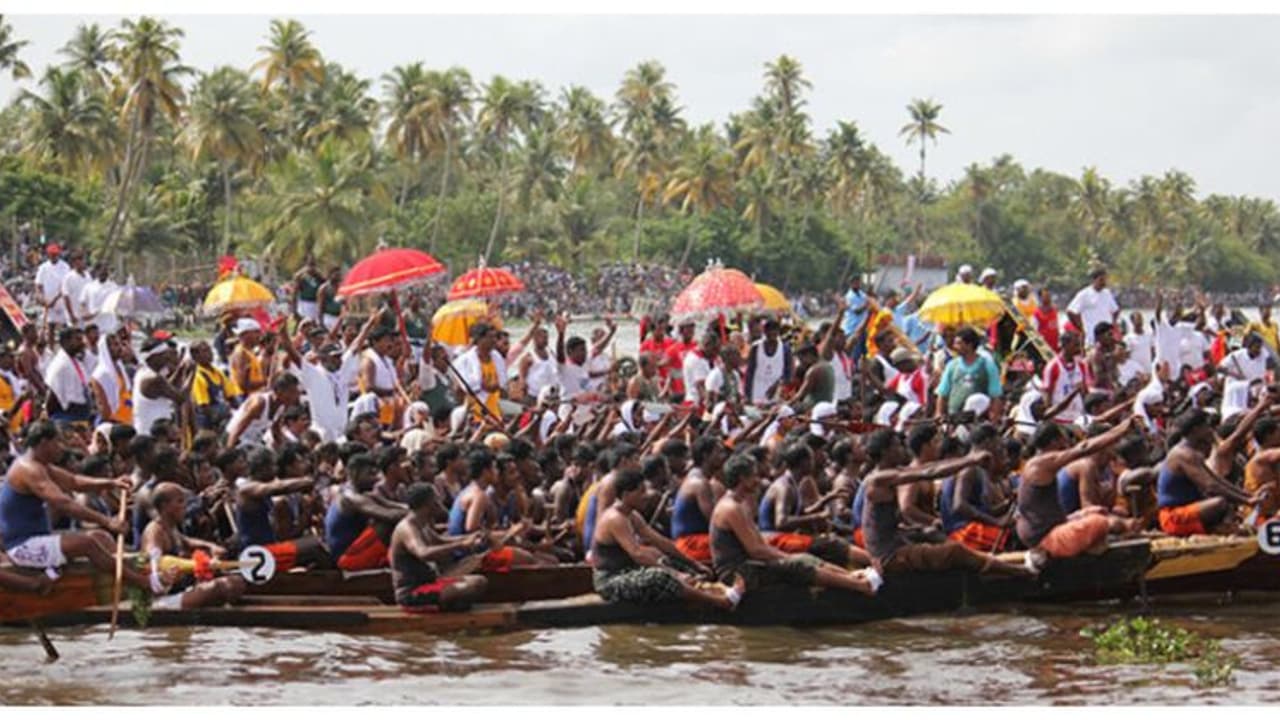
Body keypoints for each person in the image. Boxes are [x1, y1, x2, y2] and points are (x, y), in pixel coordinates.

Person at [0, 421, 156, 590]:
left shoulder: (40, 465)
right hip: (22, 547)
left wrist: (111, 482)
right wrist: (107, 521)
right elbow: (64, 503)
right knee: (87, 543)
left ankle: (127, 577)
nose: (62, 448)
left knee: (99, 536)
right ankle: (141, 583)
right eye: (58, 442)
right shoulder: (28, 469)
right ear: (44, 443)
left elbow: (74, 481)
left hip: (37, 539)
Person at [861, 429, 1030, 578]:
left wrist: (918, 529)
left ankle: (989, 564)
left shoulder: (890, 473)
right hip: (889, 557)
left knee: (933, 536)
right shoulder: (879, 479)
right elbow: (930, 472)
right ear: (885, 452)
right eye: (897, 446)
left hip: (896, 544)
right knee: (955, 551)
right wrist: (970, 461)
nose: (903, 450)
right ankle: (1021, 571)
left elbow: (932, 466)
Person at [710, 454, 877, 597]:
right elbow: (756, 550)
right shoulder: (730, 508)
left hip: (750, 563)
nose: (758, 480)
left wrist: (785, 555)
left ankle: (852, 577)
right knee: (797, 564)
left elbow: (759, 543)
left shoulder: (740, 504)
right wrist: (786, 557)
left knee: (804, 558)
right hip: (737, 572)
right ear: (742, 479)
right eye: (754, 476)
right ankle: (861, 586)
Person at [592, 467, 737, 608]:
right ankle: (718, 602)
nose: (646, 495)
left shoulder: (632, 515)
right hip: (610, 581)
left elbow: (660, 541)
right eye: (641, 491)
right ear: (625, 495)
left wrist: (694, 564)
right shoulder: (615, 518)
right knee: (660, 577)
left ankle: (708, 590)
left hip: (630, 571)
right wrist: (676, 574)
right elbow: (638, 555)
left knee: (668, 560)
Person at [1017, 419, 1143, 567]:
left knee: (1098, 512)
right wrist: (1120, 430)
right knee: (1107, 522)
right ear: (1055, 441)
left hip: (1046, 530)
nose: (1068, 444)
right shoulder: (1041, 464)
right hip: (1046, 538)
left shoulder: (1040, 463)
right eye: (1065, 439)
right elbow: (1083, 448)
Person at [1157, 409, 1266, 536]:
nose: (1210, 430)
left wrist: (1249, 496)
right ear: (1196, 429)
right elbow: (1211, 486)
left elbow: (1217, 480)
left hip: (1185, 512)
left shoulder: (1191, 453)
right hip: (1173, 518)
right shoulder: (1183, 455)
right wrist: (1247, 501)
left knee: (1226, 503)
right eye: (1206, 426)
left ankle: (1224, 529)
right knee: (1220, 503)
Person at [140, 482, 246, 610]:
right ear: (165, 506)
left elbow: (186, 541)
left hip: (180, 591)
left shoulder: (170, 527)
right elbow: (150, 569)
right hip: (160, 601)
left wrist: (211, 547)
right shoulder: (154, 532)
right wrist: (197, 566)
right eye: (180, 501)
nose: (185, 506)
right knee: (223, 586)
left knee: (237, 583)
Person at [388, 482, 490, 613]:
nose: (440, 500)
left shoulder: (423, 522)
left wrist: (469, 538)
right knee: (471, 586)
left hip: (430, 584)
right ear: (429, 503)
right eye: (436, 498)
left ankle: (448, 608)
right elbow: (423, 552)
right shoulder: (407, 527)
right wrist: (461, 545)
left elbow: (439, 540)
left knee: (480, 581)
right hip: (412, 593)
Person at [234, 446, 324, 571]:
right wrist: (306, 481)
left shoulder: (257, 488)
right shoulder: (247, 490)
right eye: (273, 466)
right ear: (263, 468)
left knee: (320, 542)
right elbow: (278, 487)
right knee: (317, 545)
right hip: (257, 554)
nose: (276, 470)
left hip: (270, 549)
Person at [325, 453, 409, 571]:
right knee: (385, 525)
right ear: (355, 474)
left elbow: (395, 506)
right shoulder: (351, 498)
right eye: (370, 474)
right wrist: (420, 512)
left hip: (357, 550)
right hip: (344, 558)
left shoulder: (365, 494)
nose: (376, 479)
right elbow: (391, 515)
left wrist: (415, 509)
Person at [940, 424, 1013, 552]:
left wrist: (1008, 503)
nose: (998, 448)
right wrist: (996, 522)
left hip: (969, 527)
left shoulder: (977, 467)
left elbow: (983, 510)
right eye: (997, 444)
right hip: (962, 532)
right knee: (1015, 536)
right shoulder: (970, 467)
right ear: (987, 442)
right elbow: (959, 506)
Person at [669, 436, 725, 564]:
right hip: (690, 544)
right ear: (706, 456)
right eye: (719, 452)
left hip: (695, 540)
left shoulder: (700, 478)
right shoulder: (699, 483)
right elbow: (715, 521)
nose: (723, 456)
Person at [935, 327, 1002, 419]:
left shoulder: (987, 365)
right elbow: (942, 393)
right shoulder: (952, 365)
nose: (954, 347)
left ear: (969, 345)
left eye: (958, 343)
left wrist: (994, 420)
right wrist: (939, 414)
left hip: (979, 421)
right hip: (954, 419)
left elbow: (995, 395)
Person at [132, 336, 193, 437]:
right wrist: (192, 372)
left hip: (154, 430)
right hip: (151, 433)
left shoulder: (145, 372)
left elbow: (168, 385)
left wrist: (180, 369)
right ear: (154, 357)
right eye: (165, 355)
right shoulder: (152, 378)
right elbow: (181, 398)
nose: (168, 358)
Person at [226, 373, 303, 448]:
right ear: (279, 391)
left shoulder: (281, 407)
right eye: (291, 392)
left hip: (251, 443)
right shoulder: (260, 403)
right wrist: (229, 451)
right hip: (235, 440)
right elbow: (237, 429)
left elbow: (275, 429)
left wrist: (284, 447)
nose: (295, 396)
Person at [43, 326, 94, 429]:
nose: (82, 343)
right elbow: (53, 396)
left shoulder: (75, 361)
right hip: (67, 416)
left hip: (80, 415)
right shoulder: (61, 365)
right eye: (78, 339)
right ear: (65, 342)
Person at [455, 322, 506, 420]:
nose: (494, 340)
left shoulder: (497, 357)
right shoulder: (464, 360)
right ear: (479, 339)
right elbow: (466, 386)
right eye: (490, 337)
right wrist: (483, 386)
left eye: (495, 337)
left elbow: (502, 381)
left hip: (495, 410)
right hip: (476, 412)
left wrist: (495, 386)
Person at [359, 324, 407, 429]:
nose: (390, 344)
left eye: (390, 340)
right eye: (386, 340)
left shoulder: (387, 360)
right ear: (375, 342)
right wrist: (391, 392)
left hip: (391, 407)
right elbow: (368, 387)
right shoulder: (369, 360)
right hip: (377, 408)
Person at [1042, 329, 1088, 425]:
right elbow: (1047, 399)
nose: (1079, 348)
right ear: (1065, 345)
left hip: (1078, 418)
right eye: (1075, 345)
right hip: (1059, 419)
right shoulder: (1053, 367)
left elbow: (1084, 393)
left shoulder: (1081, 365)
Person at [1067, 267, 1119, 347]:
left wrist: (1113, 323)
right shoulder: (1084, 294)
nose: (1104, 282)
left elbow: (1116, 310)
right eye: (1101, 280)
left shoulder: (1107, 293)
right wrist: (1081, 328)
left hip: (1107, 338)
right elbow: (1070, 311)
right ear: (1094, 280)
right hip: (1092, 338)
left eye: (1105, 280)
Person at [744, 318, 791, 404]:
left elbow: (788, 372)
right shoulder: (756, 347)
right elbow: (749, 371)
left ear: (778, 332)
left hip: (776, 389)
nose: (772, 333)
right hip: (757, 387)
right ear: (764, 332)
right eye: (769, 330)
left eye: (775, 330)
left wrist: (777, 385)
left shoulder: (785, 349)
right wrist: (747, 395)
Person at [229, 318, 270, 397]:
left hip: (254, 395)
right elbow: (243, 385)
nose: (260, 335)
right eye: (256, 332)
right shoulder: (241, 353)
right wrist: (265, 382)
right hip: (244, 398)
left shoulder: (250, 352)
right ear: (246, 334)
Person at [34, 243, 70, 327]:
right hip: (47, 302)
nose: (54, 256)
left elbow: (65, 285)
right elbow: (38, 285)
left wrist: (55, 299)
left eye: (55, 254)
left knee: (65, 327)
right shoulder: (43, 267)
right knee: (50, 327)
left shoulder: (65, 267)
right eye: (52, 254)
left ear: (58, 254)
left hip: (61, 302)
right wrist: (42, 298)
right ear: (48, 255)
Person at [292, 255, 324, 325]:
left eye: (313, 265)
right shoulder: (300, 276)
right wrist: (294, 311)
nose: (311, 267)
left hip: (315, 304)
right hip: (304, 304)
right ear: (306, 265)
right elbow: (294, 294)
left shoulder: (319, 277)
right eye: (309, 264)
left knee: (314, 325)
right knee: (302, 324)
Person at [1033, 287, 1060, 353]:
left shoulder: (1054, 310)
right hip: (1044, 346)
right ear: (1040, 298)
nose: (1048, 298)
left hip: (1055, 344)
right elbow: (1034, 331)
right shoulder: (1037, 313)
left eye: (1049, 295)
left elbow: (1057, 326)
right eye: (1045, 296)